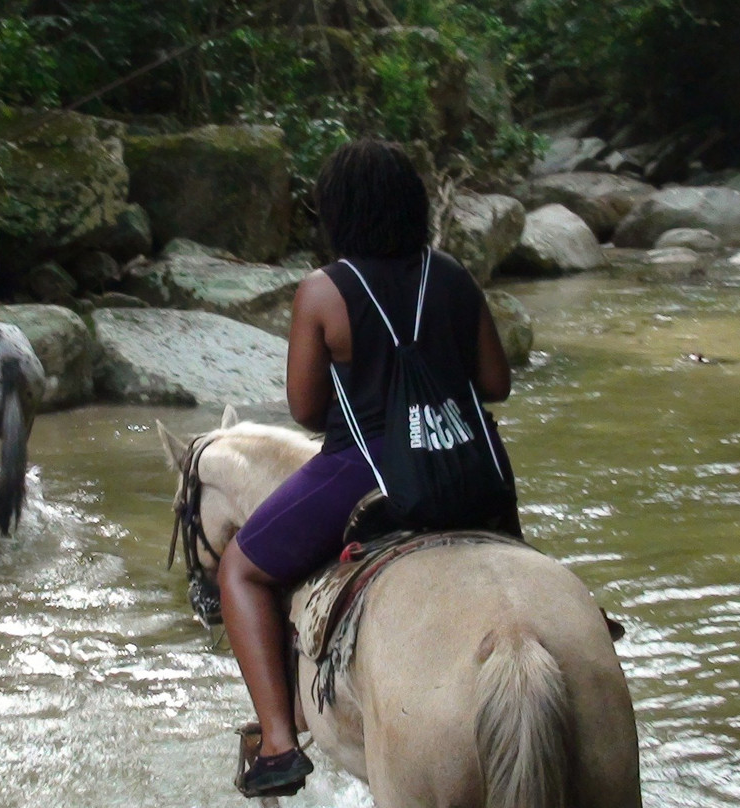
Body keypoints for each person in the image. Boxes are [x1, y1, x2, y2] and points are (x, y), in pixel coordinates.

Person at [217, 138, 521, 797]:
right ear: (413, 205)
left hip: (371, 469)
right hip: (472, 468)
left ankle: (276, 742)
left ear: (338, 214)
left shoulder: (325, 291)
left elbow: (304, 409)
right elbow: (495, 383)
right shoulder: (453, 277)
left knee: (239, 568)